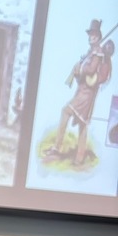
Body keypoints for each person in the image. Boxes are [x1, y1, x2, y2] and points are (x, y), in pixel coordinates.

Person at [44, 20, 114, 166]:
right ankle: (79, 159)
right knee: (82, 124)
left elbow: (91, 70)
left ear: (99, 37)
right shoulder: (92, 52)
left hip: (86, 94)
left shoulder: (98, 53)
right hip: (83, 91)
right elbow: (84, 75)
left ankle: (57, 149)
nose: (91, 37)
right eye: (90, 34)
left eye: (94, 35)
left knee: (65, 111)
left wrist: (80, 69)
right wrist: (77, 72)